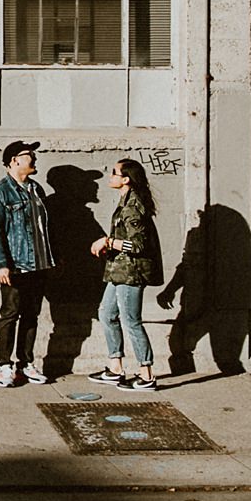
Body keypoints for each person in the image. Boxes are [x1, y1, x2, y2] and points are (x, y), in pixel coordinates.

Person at [0, 139, 55, 387]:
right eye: (29, 155)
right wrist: (1, 264)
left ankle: (26, 364)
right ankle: (5, 366)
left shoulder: (36, 190)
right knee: (10, 313)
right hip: (15, 265)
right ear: (14, 161)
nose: (34, 159)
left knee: (31, 315)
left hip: (39, 263)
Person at [88, 157, 161, 391]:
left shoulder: (132, 207)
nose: (111, 176)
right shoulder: (125, 202)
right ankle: (116, 368)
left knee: (131, 321)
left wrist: (108, 241)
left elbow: (137, 246)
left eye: (114, 172)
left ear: (126, 179)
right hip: (118, 272)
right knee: (106, 313)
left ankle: (146, 374)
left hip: (131, 273)